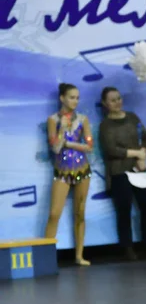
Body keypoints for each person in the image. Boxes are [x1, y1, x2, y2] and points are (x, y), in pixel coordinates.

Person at [98, 87, 146, 260]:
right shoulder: (105, 125)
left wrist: (143, 153)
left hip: (139, 170)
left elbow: (144, 136)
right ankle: (127, 247)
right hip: (119, 172)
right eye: (112, 100)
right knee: (124, 210)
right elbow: (110, 149)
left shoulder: (132, 117)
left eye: (119, 98)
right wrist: (134, 153)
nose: (117, 102)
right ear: (105, 104)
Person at [44, 83, 93, 266]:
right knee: (54, 213)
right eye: (71, 97)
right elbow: (55, 148)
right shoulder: (53, 120)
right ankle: (46, 258)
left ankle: (79, 256)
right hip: (62, 171)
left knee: (80, 213)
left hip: (82, 170)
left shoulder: (82, 119)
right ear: (62, 98)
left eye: (77, 98)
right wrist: (62, 130)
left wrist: (69, 144)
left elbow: (89, 146)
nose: (75, 101)